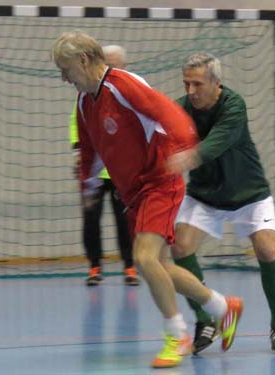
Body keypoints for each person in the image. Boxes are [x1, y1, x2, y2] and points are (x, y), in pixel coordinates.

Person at [52, 30, 243, 369]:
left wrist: (185, 150)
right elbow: (90, 151)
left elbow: (169, 113)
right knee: (162, 264)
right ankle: (222, 307)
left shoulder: (122, 85)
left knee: (143, 258)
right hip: (133, 192)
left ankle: (176, 335)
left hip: (160, 181)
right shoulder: (84, 102)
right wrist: (88, 186)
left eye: (65, 69)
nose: (63, 77)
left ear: (83, 61)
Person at [169, 52, 275, 354]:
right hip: (204, 194)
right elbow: (158, 131)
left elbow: (215, 144)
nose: (190, 91)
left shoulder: (234, 106)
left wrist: (186, 157)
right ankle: (204, 320)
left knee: (267, 249)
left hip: (248, 194)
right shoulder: (180, 108)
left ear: (216, 82)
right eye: (186, 84)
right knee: (180, 247)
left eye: (197, 84)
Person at [69, 45, 139, 286]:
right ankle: (94, 266)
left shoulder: (131, 93)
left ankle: (130, 267)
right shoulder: (88, 95)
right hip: (96, 171)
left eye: (115, 65)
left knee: (125, 222)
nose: (110, 70)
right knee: (91, 218)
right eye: (107, 64)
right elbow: (77, 124)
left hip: (122, 172)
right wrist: (80, 153)